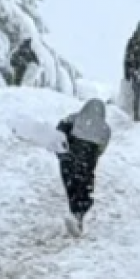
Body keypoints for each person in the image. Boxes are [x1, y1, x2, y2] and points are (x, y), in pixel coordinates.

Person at [56, 100, 111, 236]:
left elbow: (59, 132)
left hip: (69, 156)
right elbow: (101, 149)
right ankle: (78, 214)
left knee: (71, 185)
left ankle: (75, 214)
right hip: (88, 159)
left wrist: (62, 152)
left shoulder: (73, 118)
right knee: (85, 188)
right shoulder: (105, 129)